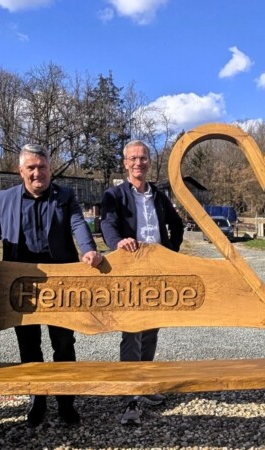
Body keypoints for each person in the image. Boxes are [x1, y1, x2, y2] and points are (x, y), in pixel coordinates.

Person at [0, 144, 102, 428]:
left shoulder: (65, 196)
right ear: (21, 171)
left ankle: (66, 401)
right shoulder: (4, 198)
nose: (37, 173)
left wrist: (89, 249)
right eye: (31, 168)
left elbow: (78, 225)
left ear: (50, 169)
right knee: (29, 346)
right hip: (20, 283)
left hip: (60, 284)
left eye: (42, 167)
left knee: (64, 344)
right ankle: (37, 400)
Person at [100, 139, 184, 425]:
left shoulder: (158, 196)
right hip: (130, 273)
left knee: (151, 331)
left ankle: (146, 385)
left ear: (149, 162)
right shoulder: (114, 195)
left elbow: (178, 224)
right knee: (132, 333)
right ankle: (129, 396)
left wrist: (172, 253)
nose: (139, 163)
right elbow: (107, 224)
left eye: (143, 158)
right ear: (125, 163)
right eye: (133, 158)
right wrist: (118, 243)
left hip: (157, 273)